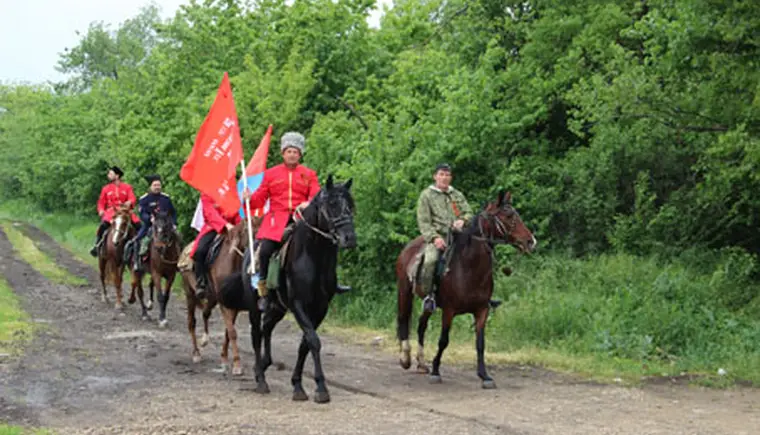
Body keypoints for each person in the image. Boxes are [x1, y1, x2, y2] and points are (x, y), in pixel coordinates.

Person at [247, 131, 351, 311]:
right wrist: (248, 198)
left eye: (295, 151)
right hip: (276, 222)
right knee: (265, 251)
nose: (292, 154)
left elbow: (316, 195)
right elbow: (259, 200)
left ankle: (332, 281)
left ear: (300, 154)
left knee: (327, 244)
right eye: (289, 151)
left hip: (301, 219)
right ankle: (264, 291)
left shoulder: (309, 174)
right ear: (283, 153)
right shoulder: (271, 174)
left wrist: (307, 203)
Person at [416, 163, 474, 313]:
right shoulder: (426, 196)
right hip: (438, 236)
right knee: (431, 261)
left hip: (459, 235)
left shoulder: (456, 194)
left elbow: (468, 212)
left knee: (480, 254)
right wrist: (435, 238)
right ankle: (429, 296)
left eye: (447, 175)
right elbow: (424, 222)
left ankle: (480, 296)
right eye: (441, 174)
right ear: (435, 176)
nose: (444, 177)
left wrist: (463, 220)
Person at [189, 192, 242, 301]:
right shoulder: (207, 193)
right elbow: (210, 213)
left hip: (234, 227)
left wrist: (239, 224)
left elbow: (237, 211)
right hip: (213, 228)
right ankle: (201, 282)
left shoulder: (231, 192)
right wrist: (224, 224)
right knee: (200, 251)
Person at [126, 174, 177, 271]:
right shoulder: (144, 199)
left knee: (178, 237)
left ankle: (178, 261)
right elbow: (142, 214)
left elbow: (173, 212)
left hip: (166, 225)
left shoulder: (166, 198)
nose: (157, 187)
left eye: (159, 185)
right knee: (137, 240)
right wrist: (149, 219)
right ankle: (137, 262)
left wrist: (174, 224)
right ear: (150, 186)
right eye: (155, 185)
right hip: (149, 225)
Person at [90, 166, 140, 257]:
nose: (108, 175)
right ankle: (97, 245)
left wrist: (130, 202)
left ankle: (139, 248)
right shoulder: (106, 188)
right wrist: (101, 210)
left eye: (110, 174)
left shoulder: (127, 187)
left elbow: (132, 198)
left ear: (117, 176)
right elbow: (101, 202)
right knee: (103, 226)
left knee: (138, 225)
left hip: (125, 211)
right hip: (111, 212)